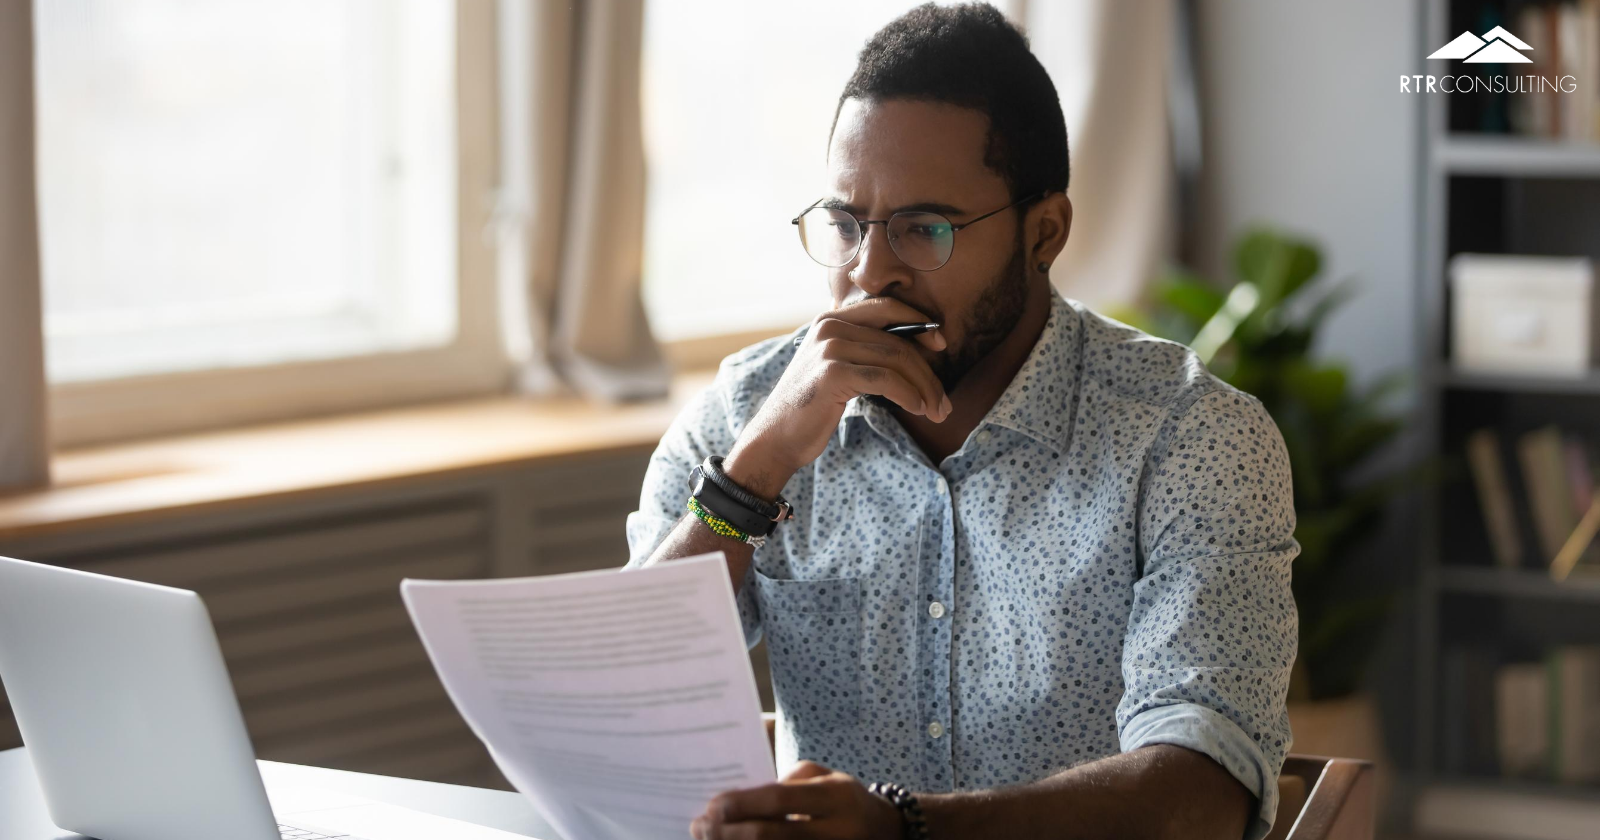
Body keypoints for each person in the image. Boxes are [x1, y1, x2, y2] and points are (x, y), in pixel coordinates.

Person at [624, 4, 1298, 838]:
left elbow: (1205, 792)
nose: (870, 273)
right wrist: (755, 472)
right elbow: (624, 713)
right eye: (846, 223)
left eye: (924, 228)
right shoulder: (744, 418)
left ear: (1043, 232)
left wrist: (910, 831)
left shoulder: (1192, 439)